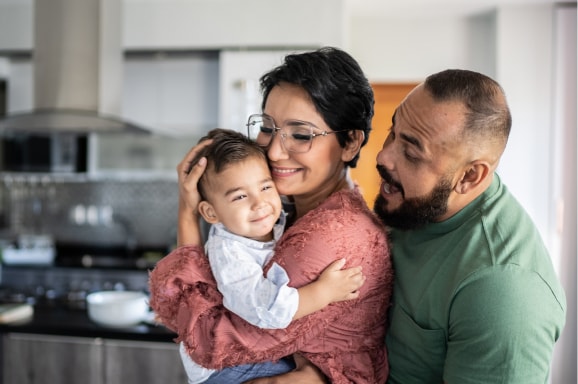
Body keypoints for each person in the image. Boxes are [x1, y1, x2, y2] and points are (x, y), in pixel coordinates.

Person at [269, 68, 568, 383]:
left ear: (469, 177)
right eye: (392, 132)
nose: (384, 157)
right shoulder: (416, 207)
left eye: (411, 153)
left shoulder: (504, 292)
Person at [148, 47, 394, 384]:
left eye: (301, 134)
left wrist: (188, 215)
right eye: (268, 127)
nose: (274, 151)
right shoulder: (284, 211)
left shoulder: (330, 236)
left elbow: (208, 341)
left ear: (350, 142)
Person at [176, 128, 365, 383]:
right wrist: (325, 292)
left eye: (266, 187)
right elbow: (264, 308)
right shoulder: (229, 253)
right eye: (240, 196)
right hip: (225, 367)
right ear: (211, 213)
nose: (259, 203)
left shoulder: (263, 223)